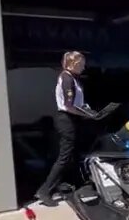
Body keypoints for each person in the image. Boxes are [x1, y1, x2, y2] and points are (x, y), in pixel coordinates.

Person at [35, 50, 96, 206]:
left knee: (73, 155)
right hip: (66, 120)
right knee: (65, 156)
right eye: (81, 64)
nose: (83, 67)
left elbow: (77, 103)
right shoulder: (67, 78)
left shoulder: (74, 79)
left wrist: (87, 111)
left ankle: (76, 184)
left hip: (73, 119)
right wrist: (86, 114)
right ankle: (45, 190)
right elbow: (68, 105)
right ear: (72, 63)